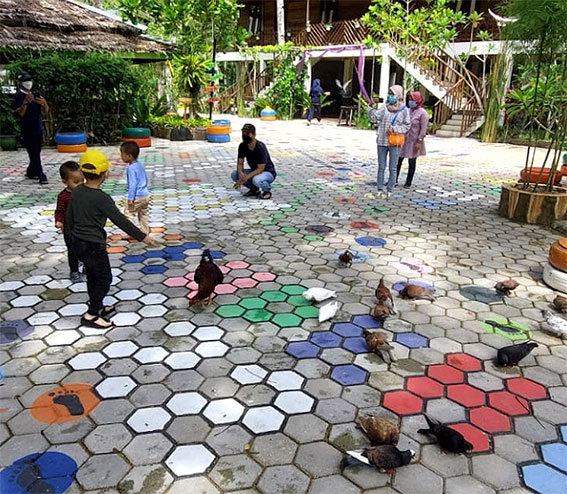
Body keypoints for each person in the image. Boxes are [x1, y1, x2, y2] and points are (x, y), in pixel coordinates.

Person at [66, 150, 156, 329]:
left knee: (93, 275)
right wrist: (143, 236)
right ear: (105, 174)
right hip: (93, 245)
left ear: (82, 173)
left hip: (77, 243)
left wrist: (71, 242)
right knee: (105, 278)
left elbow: (69, 218)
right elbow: (120, 220)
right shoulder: (102, 198)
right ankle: (91, 314)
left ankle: (97, 306)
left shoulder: (76, 192)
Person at [368, 85, 410, 198]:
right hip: (382, 141)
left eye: (392, 94)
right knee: (381, 166)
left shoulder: (404, 110)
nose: (390, 96)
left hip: (394, 142)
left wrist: (395, 129)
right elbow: (374, 118)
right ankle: (380, 188)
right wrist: (371, 108)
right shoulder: (384, 107)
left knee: (393, 167)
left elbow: (407, 126)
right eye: (389, 94)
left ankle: (390, 189)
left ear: (398, 95)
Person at [12, 71, 49, 184]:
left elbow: (46, 112)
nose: (28, 83)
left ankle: (31, 171)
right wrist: (25, 103)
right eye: (25, 81)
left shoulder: (36, 94)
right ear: (20, 83)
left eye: (29, 80)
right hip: (27, 128)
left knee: (36, 151)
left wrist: (44, 103)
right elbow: (20, 114)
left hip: (38, 127)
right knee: (33, 151)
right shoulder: (18, 96)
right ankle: (41, 174)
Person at [55, 161, 84, 283]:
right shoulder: (63, 196)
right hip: (69, 230)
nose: (80, 185)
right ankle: (74, 271)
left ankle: (88, 268)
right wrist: (59, 221)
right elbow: (60, 211)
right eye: (76, 182)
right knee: (72, 251)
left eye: (82, 181)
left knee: (86, 249)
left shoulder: (85, 192)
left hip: (84, 228)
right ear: (65, 181)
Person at [232, 123, 277, 200]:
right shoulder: (242, 146)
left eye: (247, 134)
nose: (245, 136)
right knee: (234, 174)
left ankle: (267, 191)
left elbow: (261, 168)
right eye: (243, 134)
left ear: (253, 134)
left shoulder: (260, 147)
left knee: (257, 180)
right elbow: (240, 163)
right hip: (254, 171)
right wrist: (241, 175)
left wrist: (246, 177)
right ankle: (254, 189)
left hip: (267, 172)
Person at [397, 91, 429, 189]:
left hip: (414, 140)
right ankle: (394, 179)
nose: (411, 101)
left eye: (413, 100)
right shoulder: (407, 110)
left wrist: (419, 140)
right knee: (398, 159)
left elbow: (423, 128)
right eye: (410, 99)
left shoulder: (423, 113)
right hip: (404, 139)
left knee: (412, 160)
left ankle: (408, 181)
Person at [120, 141, 150, 234]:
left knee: (128, 212)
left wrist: (130, 198)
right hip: (146, 195)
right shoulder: (140, 165)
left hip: (138, 196)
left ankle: (132, 232)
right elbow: (145, 178)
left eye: (122, 154)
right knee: (143, 213)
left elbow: (132, 185)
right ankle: (145, 231)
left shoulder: (131, 168)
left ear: (129, 156)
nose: (121, 156)